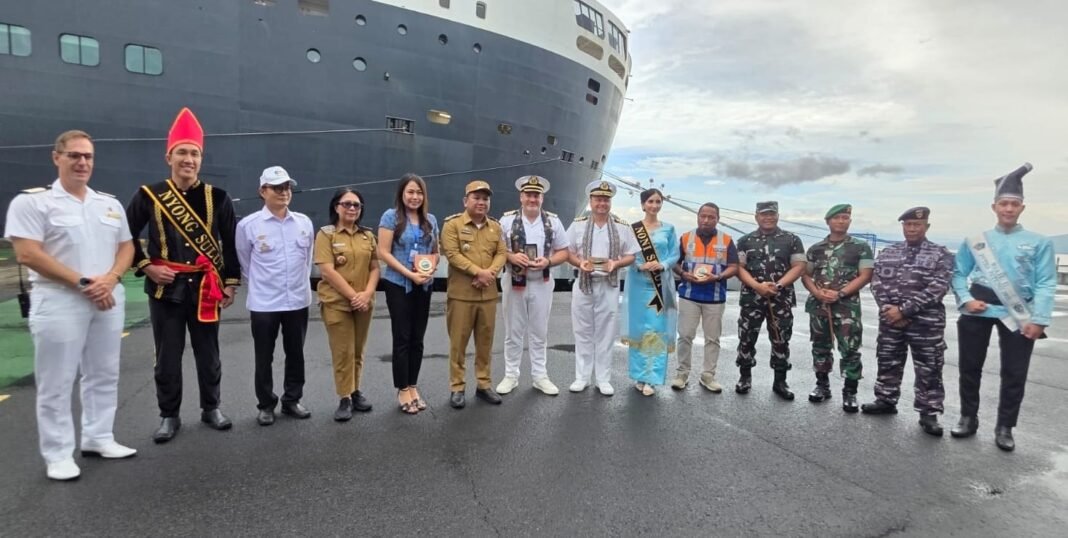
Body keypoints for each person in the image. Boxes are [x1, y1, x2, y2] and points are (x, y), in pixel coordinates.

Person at [5, 130, 136, 480]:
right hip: (60, 299)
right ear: (56, 157)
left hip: (107, 296)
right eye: (74, 155)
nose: (82, 162)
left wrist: (110, 279)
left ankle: (98, 436)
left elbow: (127, 247)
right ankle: (58, 453)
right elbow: (27, 252)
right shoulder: (32, 203)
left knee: (104, 372)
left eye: (88, 157)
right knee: (56, 379)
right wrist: (83, 283)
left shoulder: (108, 204)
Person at [126, 108, 241, 443]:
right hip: (166, 290)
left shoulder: (218, 197)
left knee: (209, 354)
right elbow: (124, 235)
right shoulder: (149, 195)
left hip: (207, 287)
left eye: (194, 153)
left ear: (201, 159)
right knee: (167, 356)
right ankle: (169, 415)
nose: (188, 159)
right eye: (182, 153)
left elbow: (230, 245)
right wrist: (146, 265)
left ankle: (211, 408)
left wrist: (231, 283)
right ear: (169, 156)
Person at [949, 163, 1056, 451]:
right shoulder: (976, 241)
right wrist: (965, 299)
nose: (1008, 209)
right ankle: (968, 418)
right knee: (970, 367)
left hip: (1018, 313)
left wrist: (1041, 318)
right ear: (994, 206)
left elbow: (1047, 282)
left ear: (1022, 208)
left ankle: (1005, 426)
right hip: (978, 309)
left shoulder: (1039, 242)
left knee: (1014, 372)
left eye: (1014, 204)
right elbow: (958, 273)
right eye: (1003, 204)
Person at [861, 207, 954, 436]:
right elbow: (876, 282)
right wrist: (888, 310)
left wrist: (903, 311)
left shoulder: (940, 254)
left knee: (929, 367)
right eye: (908, 225)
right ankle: (885, 399)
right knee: (888, 360)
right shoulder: (889, 252)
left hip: (926, 324)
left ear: (927, 227)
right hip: (891, 321)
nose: (912, 229)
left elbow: (938, 288)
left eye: (917, 225)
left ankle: (928, 412)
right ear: (903, 226)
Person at [235, 166, 314, 426]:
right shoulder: (248, 226)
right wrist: (263, 285)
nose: (284, 192)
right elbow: (245, 262)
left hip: (297, 301)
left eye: (287, 187)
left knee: (296, 353)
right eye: (277, 187)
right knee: (264, 355)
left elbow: (308, 260)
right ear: (262, 191)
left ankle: (292, 400)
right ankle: (266, 403)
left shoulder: (304, 223)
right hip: (265, 302)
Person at [495, 175, 570, 397]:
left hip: (542, 282)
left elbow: (564, 251)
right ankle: (511, 375)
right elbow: (497, 250)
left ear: (542, 198)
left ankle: (540, 376)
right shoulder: (506, 221)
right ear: (521, 196)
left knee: (539, 331)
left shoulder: (553, 222)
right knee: (513, 331)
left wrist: (549, 261)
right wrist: (511, 256)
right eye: (528, 194)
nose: (532, 199)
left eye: (536, 195)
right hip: (514, 281)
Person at [566, 180, 639, 396]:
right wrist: (579, 263)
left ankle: (603, 378)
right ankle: (582, 376)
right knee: (582, 331)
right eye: (598, 199)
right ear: (591, 200)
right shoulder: (578, 225)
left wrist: (616, 263)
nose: (602, 203)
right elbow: (567, 251)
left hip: (609, 284)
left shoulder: (622, 226)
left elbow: (631, 255)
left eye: (606, 199)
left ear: (610, 202)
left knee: (606, 333)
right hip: (583, 283)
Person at [440, 180, 508, 409]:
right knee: (458, 344)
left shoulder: (495, 227)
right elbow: (452, 254)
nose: (481, 202)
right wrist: (479, 272)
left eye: (485, 199)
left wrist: (490, 273)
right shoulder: (452, 225)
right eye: (476, 198)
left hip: (487, 296)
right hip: (461, 295)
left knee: (485, 344)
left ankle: (483, 384)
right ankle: (457, 387)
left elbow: (501, 252)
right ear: (465, 201)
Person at [800, 204, 874, 412]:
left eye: (845, 218)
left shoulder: (860, 247)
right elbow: (805, 274)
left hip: (846, 307)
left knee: (849, 348)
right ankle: (822, 385)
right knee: (820, 346)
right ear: (828, 221)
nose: (841, 221)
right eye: (837, 218)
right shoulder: (816, 249)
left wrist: (840, 293)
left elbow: (866, 275)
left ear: (849, 221)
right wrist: (816, 292)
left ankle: (850, 392)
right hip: (819, 305)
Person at [315, 188, 380, 421]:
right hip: (337, 303)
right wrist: (354, 296)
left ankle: (355, 390)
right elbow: (327, 270)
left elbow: (374, 267)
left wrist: (368, 293)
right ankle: (344, 397)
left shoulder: (367, 236)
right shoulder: (326, 235)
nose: (352, 208)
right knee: (343, 351)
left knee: (358, 350)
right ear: (336, 207)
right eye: (347, 204)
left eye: (357, 205)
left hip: (364, 302)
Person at [377, 174, 439, 414]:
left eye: (419, 193)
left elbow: (435, 251)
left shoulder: (430, 219)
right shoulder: (390, 217)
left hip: (423, 284)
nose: (415, 197)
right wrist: (409, 274)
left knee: (418, 338)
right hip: (398, 284)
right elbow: (384, 252)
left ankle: (413, 384)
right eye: (411, 192)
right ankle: (402, 388)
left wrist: (431, 268)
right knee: (402, 337)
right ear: (402, 194)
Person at [734, 201, 806, 399]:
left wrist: (779, 285)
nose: (768, 218)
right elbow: (739, 267)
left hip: (780, 299)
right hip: (752, 298)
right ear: (756, 216)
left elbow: (799, 266)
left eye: (772, 214)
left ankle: (780, 382)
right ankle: (745, 377)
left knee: (781, 339)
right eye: (764, 214)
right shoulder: (744, 241)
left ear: (777, 215)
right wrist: (757, 286)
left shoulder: (791, 239)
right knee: (746, 338)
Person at [671, 202, 739, 393]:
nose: (706, 220)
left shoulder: (726, 240)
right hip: (689, 295)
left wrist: (717, 276)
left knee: (713, 338)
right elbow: (675, 263)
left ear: (718, 219)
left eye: (711, 217)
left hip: (715, 297)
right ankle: (681, 374)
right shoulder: (686, 238)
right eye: (703, 216)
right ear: (698, 216)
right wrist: (684, 274)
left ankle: (708, 376)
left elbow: (734, 266)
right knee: (685, 336)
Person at [622, 188, 679, 396]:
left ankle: (652, 378)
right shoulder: (633, 229)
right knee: (638, 330)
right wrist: (639, 265)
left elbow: (674, 255)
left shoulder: (669, 229)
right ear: (643, 204)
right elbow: (627, 254)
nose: (654, 205)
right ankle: (639, 375)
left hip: (659, 286)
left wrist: (662, 264)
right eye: (650, 202)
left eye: (658, 201)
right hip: (638, 284)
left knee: (655, 330)